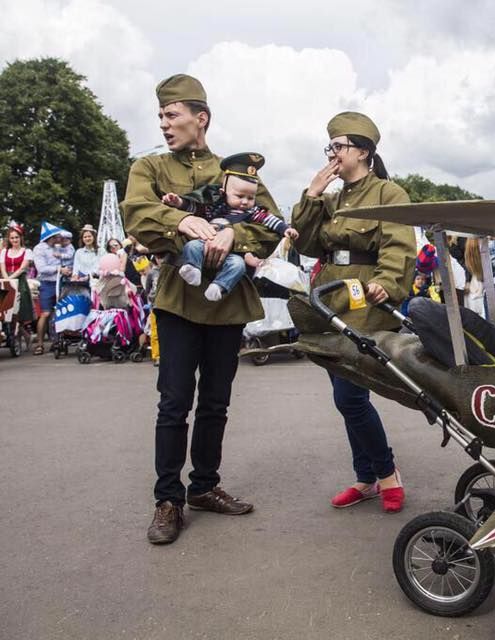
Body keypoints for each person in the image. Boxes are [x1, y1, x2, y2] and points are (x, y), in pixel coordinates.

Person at [122, 74, 282, 545]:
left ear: (200, 118)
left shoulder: (236, 171)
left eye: (172, 115)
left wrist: (237, 234)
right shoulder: (149, 168)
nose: (165, 124)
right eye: (161, 117)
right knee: (173, 403)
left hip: (227, 304)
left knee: (216, 402)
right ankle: (167, 499)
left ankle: (205, 487)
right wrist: (182, 220)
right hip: (177, 300)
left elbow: (270, 226)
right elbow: (138, 213)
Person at [291, 111, 416, 514]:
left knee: (350, 395)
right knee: (345, 394)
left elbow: (399, 245)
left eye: (339, 146)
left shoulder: (388, 193)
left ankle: (386, 474)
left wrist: (389, 281)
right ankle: (366, 478)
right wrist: (311, 196)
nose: (333, 154)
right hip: (330, 297)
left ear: (363, 151)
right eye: (330, 147)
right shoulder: (331, 198)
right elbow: (307, 243)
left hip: (364, 298)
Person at [162, 152, 299, 302]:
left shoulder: (252, 212)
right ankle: (192, 268)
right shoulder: (214, 206)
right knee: (192, 246)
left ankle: (219, 286)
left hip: (233, 254)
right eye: (240, 196)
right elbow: (195, 208)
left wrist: (285, 229)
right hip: (205, 243)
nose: (245, 202)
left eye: (251, 197)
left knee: (238, 266)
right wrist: (178, 202)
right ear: (223, 192)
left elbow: (270, 220)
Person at [32, 222, 72, 354]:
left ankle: (56, 342)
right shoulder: (39, 249)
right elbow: (41, 269)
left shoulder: (58, 247)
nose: (59, 238)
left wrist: (67, 269)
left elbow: (67, 259)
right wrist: (59, 269)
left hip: (60, 283)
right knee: (45, 313)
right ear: (50, 236)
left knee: (59, 312)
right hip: (47, 283)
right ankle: (39, 343)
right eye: (56, 236)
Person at [0, 223, 35, 342]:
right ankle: (18, 334)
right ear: (9, 239)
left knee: (19, 310)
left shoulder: (27, 251)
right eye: (12, 238)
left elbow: (22, 268)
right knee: (6, 309)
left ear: (20, 238)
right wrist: (7, 280)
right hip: (6, 280)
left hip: (19, 280)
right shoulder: (5, 251)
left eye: (16, 237)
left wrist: (11, 279)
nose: (14, 240)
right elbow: (3, 267)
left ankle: (21, 333)